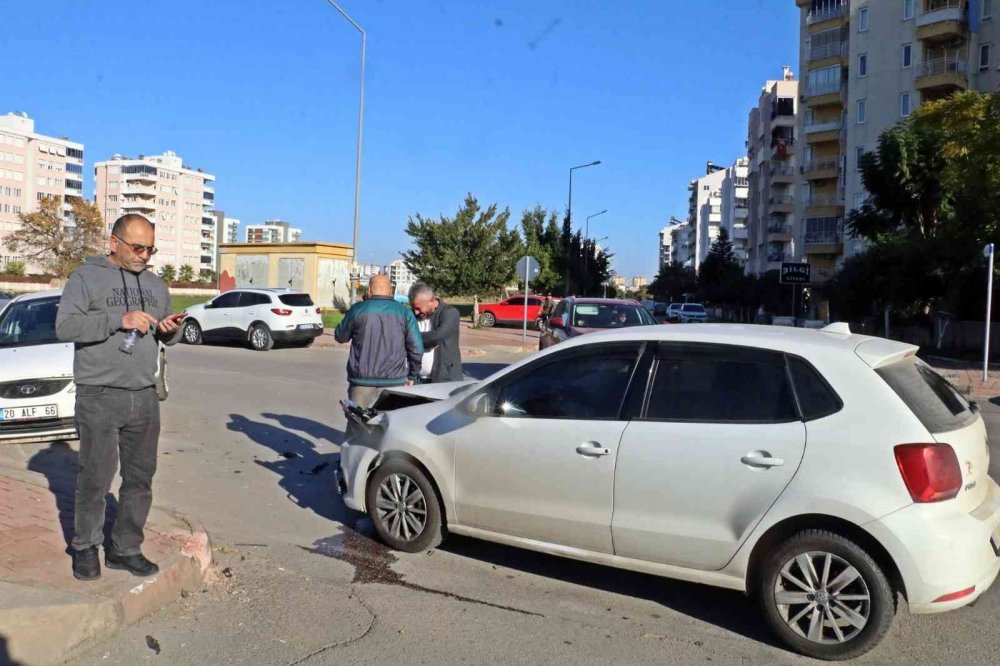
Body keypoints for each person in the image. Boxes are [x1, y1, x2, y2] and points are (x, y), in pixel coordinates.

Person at [56, 214, 185, 581]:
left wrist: (169, 329)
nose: (144, 255)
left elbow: (166, 335)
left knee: (140, 479)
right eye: (138, 247)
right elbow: (65, 326)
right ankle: (85, 546)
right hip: (99, 393)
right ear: (114, 243)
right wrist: (119, 319)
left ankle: (125, 548)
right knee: (95, 478)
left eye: (150, 249)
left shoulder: (156, 285)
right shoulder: (86, 277)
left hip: (143, 394)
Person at [334, 274, 423, 409]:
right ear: (391, 290)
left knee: (357, 419)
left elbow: (341, 337)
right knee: (391, 419)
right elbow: (416, 348)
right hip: (395, 381)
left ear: (369, 290)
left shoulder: (358, 309)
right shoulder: (405, 312)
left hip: (361, 381)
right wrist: (413, 375)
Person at [409, 282, 463, 383]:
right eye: (413, 307)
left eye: (418, 308)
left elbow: (436, 337)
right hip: (415, 380)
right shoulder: (411, 315)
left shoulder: (450, 313)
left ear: (431, 301)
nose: (416, 312)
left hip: (444, 380)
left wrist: (410, 339)